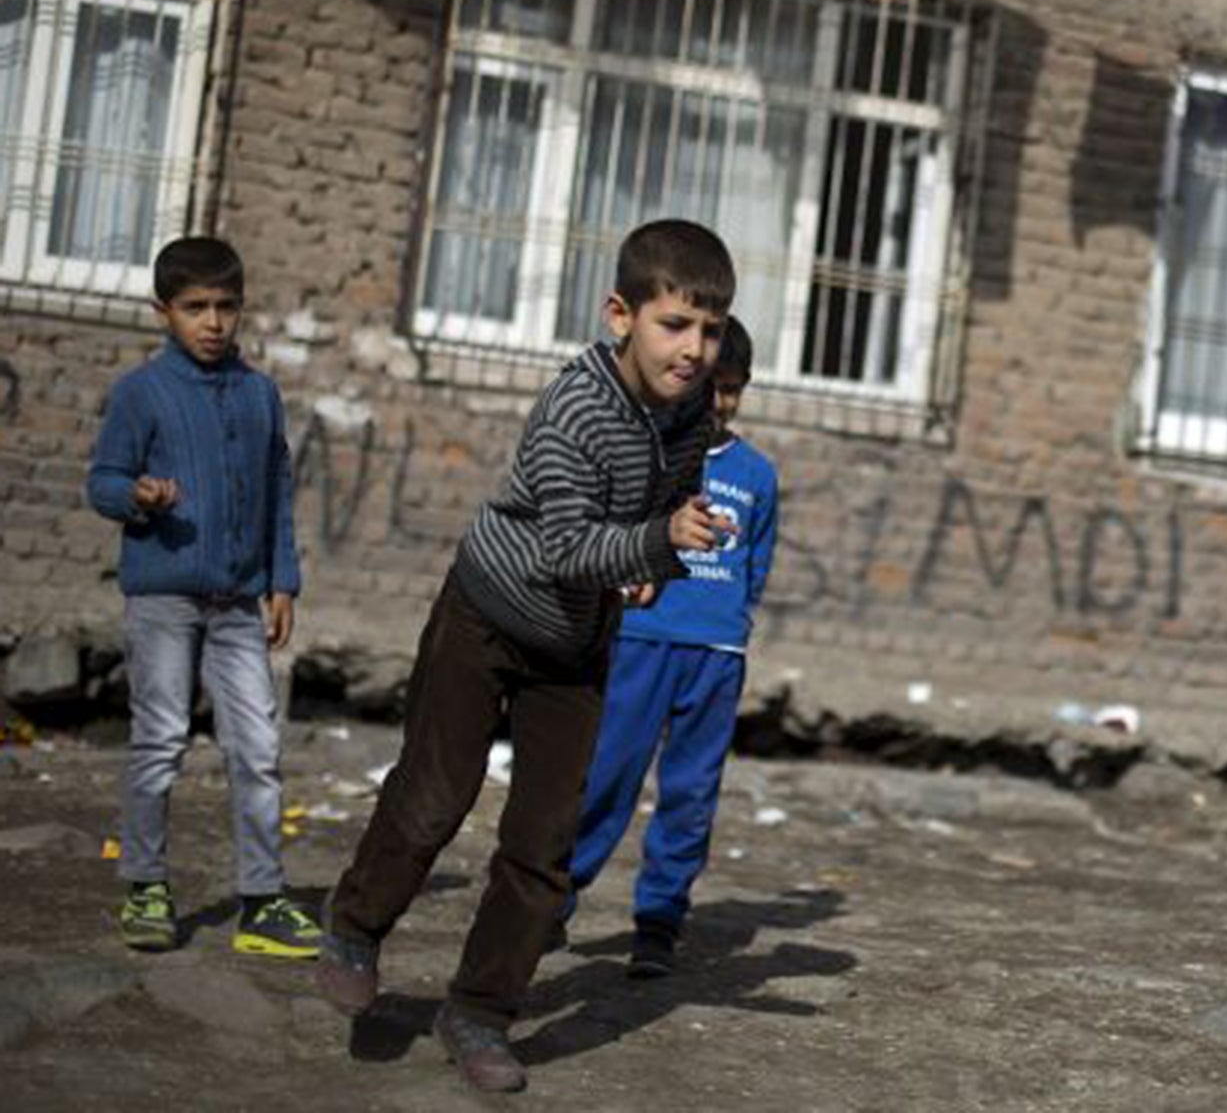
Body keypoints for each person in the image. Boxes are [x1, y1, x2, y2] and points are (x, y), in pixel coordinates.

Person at [314, 220, 736, 1094]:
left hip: (575, 646)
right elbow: (569, 548)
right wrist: (656, 543)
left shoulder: (692, 414)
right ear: (621, 314)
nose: (695, 349)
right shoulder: (574, 406)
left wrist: (656, 558)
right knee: (434, 798)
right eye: (675, 325)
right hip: (488, 616)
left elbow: (659, 510)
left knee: (544, 844)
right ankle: (355, 923)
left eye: (712, 328)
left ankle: (477, 1011)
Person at [86, 236, 321, 959]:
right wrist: (138, 495)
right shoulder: (141, 394)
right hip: (163, 601)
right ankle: (146, 886)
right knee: (160, 740)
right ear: (163, 313)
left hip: (238, 605)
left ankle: (262, 899)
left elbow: (279, 489)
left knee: (258, 747)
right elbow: (101, 481)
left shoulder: (259, 394)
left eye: (226, 307)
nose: (213, 322)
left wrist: (283, 580)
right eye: (195, 308)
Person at [562, 315, 780, 978]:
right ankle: (553, 900)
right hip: (641, 643)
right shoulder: (647, 453)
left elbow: (758, 562)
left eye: (735, 390)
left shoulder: (756, 474)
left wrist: (732, 622)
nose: (721, 403)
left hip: (715, 656)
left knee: (691, 793)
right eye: (713, 386)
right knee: (607, 776)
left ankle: (659, 922)